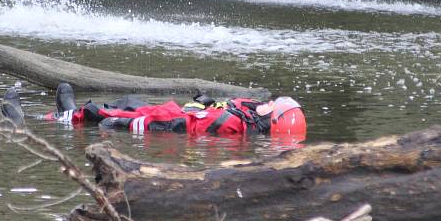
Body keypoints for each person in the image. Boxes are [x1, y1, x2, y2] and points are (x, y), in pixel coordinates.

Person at [42, 82, 307, 140]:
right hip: (175, 112)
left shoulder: (237, 126)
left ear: (270, 120)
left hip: (170, 122)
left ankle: (53, 118)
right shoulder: (248, 111)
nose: (269, 102)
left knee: (110, 118)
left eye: (273, 106)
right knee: (130, 100)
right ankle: (72, 112)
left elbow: (195, 125)